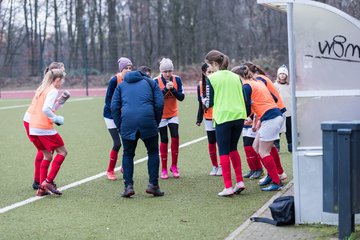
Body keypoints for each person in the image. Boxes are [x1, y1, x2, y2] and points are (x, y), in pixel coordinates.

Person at [111, 70, 165, 198]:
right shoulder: (150, 83)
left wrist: (120, 125)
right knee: (152, 152)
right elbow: (160, 103)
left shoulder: (121, 85)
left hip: (127, 122)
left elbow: (114, 107)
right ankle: (153, 185)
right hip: (148, 120)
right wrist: (155, 121)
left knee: (128, 154)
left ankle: (128, 186)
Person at [204, 50, 247, 197]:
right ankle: (239, 181)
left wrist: (203, 102)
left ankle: (228, 186)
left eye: (209, 65)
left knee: (223, 151)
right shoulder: (236, 77)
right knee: (233, 149)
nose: (209, 68)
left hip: (223, 117)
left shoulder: (212, 78)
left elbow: (209, 102)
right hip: (239, 116)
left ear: (214, 64)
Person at [237, 65, 283, 191]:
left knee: (263, 152)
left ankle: (277, 182)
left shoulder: (246, 86)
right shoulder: (257, 82)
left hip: (270, 118)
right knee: (256, 147)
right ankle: (271, 175)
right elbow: (273, 98)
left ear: (238, 77)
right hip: (272, 116)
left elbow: (246, 108)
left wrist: (245, 118)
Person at [24, 62, 65, 190]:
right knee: (48, 152)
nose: (64, 75)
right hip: (35, 121)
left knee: (46, 152)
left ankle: (42, 183)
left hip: (35, 122)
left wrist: (61, 102)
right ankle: (42, 181)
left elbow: (50, 108)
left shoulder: (45, 86)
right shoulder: (50, 89)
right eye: (63, 72)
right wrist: (55, 118)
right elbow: (47, 109)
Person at [154, 58, 185, 179]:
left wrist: (173, 90)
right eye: (165, 71)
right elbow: (156, 99)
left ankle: (174, 166)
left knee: (175, 136)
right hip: (161, 115)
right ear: (161, 71)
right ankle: (164, 169)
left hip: (173, 114)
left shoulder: (177, 79)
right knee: (164, 139)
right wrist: (166, 89)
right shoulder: (155, 81)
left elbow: (181, 97)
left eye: (170, 71)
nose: (167, 74)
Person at [103, 57, 133, 180]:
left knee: (128, 142)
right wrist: (116, 112)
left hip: (123, 115)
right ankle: (110, 171)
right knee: (117, 143)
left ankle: (124, 166)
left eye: (130, 68)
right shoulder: (115, 80)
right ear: (121, 69)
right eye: (126, 68)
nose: (129, 70)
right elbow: (108, 100)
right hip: (110, 115)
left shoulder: (131, 80)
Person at [231, 66, 263, 180]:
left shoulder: (248, 85)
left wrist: (251, 117)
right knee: (246, 146)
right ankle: (252, 169)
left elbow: (253, 104)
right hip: (245, 119)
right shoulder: (241, 86)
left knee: (250, 146)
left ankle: (259, 169)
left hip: (253, 120)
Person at [196, 63, 222, 176]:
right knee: (211, 142)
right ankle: (215, 166)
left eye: (213, 72)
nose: (211, 74)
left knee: (220, 142)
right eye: (209, 72)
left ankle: (222, 166)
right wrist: (199, 118)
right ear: (204, 73)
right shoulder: (201, 85)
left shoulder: (218, 83)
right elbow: (200, 103)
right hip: (208, 118)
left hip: (220, 116)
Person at [274, 64, 292, 152]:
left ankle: (291, 145)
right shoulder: (275, 85)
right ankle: (276, 146)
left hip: (289, 111)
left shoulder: (290, 86)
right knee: (278, 130)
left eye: (284, 73)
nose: (282, 75)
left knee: (289, 130)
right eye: (280, 73)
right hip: (279, 112)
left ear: (287, 75)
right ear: (278, 75)